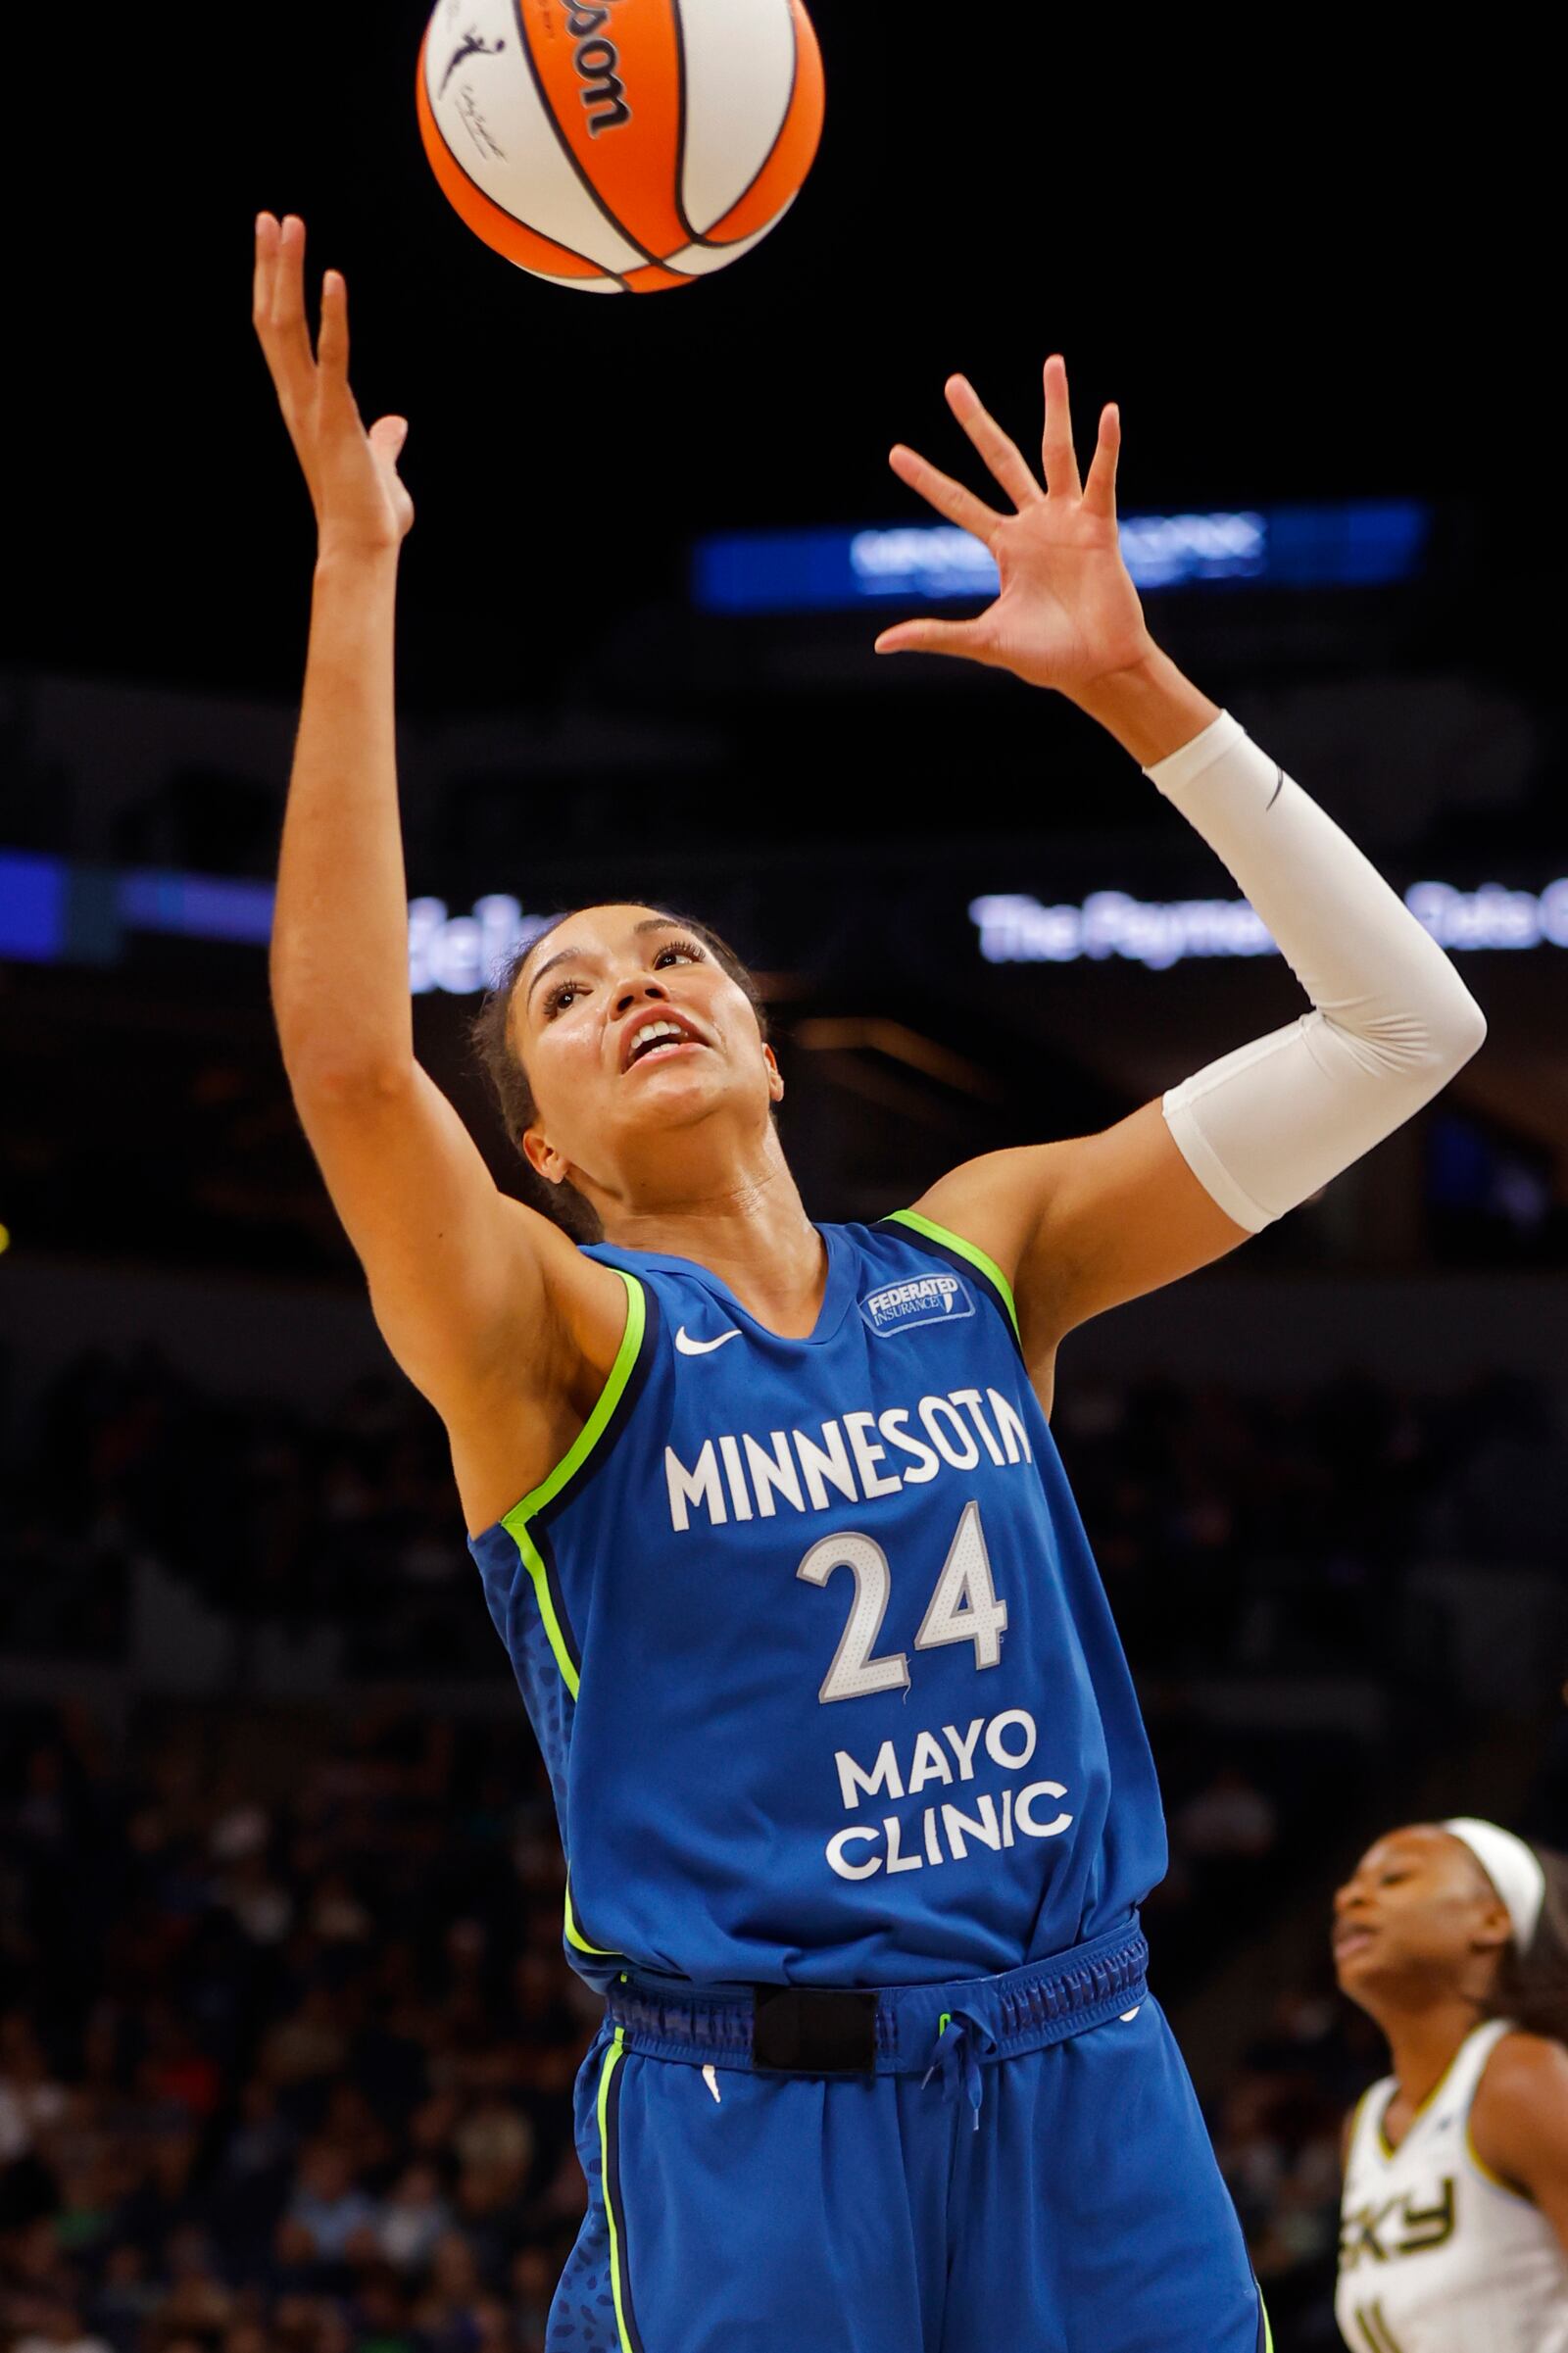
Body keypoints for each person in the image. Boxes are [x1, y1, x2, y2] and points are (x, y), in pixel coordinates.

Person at [252, 206, 1487, 2353]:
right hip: (758, 2120)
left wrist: (1134, 687)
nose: (636, 982)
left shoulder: (981, 1248)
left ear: (755, 1029)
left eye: (672, 955)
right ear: (537, 1146)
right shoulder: (553, 1343)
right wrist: (357, 567)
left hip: (1085, 2076)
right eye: (564, 989)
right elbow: (355, 1067)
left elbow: (1407, 1033)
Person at [1334, 1819, 1568, 2351]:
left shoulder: (1521, 2078)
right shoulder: (1365, 2122)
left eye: (1393, 1879)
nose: (1349, 1898)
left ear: (1490, 1920)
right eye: (1350, 1886)